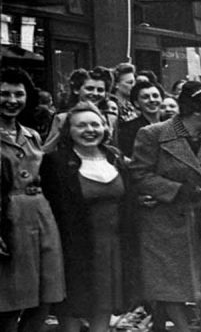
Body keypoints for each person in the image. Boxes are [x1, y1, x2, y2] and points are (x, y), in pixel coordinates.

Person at [129, 81, 201, 332]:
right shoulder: (153, 134)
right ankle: (182, 328)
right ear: (196, 110)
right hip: (166, 219)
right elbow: (139, 173)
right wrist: (176, 190)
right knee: (171, 283)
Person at [41, 102, 137, 332]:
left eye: (95, 124)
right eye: (81, 125)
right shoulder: (56, 162)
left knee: (104, 305)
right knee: (74, 306)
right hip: (75, 247)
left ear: (105, 128)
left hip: (114, 245)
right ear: (68, 131)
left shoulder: (114, 157)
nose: (89, 130)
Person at [0, 67, 65, 332]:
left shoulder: (32, 135)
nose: (12, 100)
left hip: (41, 217)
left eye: (18, 94)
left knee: (45, 296)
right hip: (8, 219)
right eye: (4, 94)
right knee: (9, 299)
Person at [43, 67, 117, 153]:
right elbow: (48, 149)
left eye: (100, 90)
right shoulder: (62, 118)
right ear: (76, 90)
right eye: (89, 88)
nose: (95, 93)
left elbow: (115, 149)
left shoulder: (110, 118)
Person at [118, 81, 164, 157]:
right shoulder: (127, 129)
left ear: (161, 99)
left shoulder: (172, 124)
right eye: (145, 97)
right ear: (136, 103)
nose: (152, 100)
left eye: (155, 96)